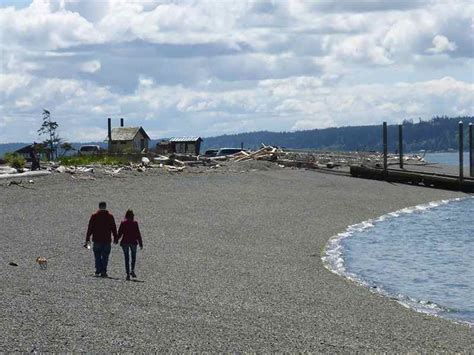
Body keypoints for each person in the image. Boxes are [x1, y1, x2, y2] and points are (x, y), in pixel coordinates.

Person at [85, 202, 117, 277]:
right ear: (105, 206)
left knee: (97, 255)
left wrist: (87, 238)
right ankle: (103, 271)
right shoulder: (110, 216)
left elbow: (90, 228)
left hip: (97, 239)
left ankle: (98, 270)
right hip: (106, 240)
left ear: (99, 207)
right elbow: (113, 228)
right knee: (105, 256)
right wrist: (115, 237)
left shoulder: (94, 216)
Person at [114, 209, 143, 280]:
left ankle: (127, 274)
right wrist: (140, 243)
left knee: (126, 258)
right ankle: (132, 270)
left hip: (125, 242)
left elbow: (120, 233)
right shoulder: (135, 223)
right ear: (132, 215)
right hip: (133, 242)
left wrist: (116, 240)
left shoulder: (123, 223)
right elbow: (138, 234)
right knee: (133, 257)